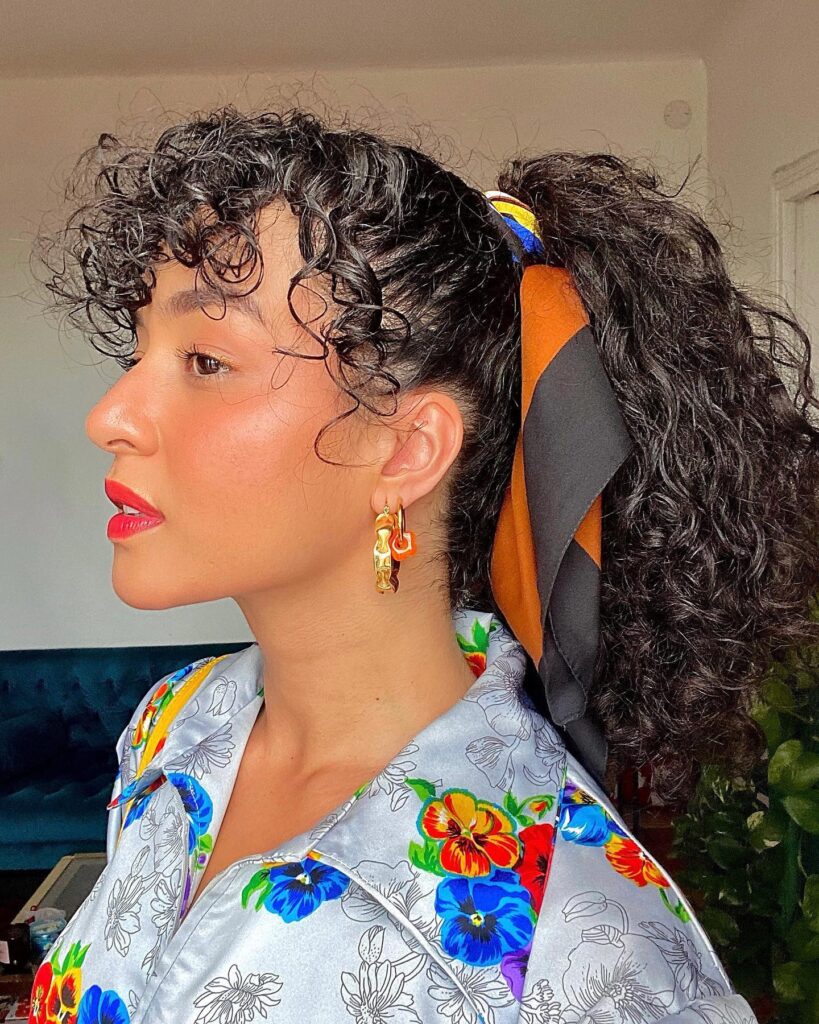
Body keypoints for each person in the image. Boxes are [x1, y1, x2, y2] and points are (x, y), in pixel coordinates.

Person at [28, 105, 818, 1024]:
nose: (110, 416)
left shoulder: (582, 956)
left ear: (406, 451)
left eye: (204, 360)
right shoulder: (174, 727)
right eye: (139, 352)